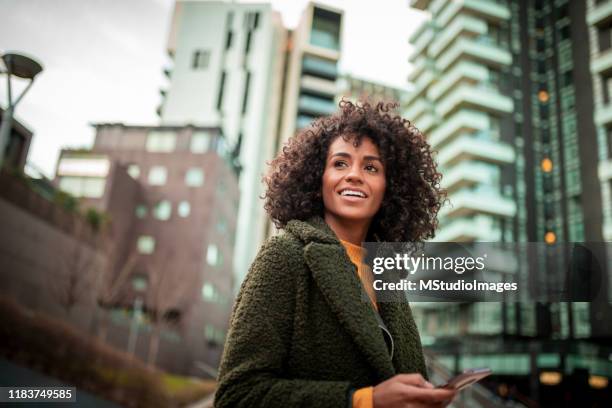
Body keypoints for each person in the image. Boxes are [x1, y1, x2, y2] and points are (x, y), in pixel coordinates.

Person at [214, 101, 455, 407]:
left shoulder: (385, 273)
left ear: (390, 188)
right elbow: (236, 395)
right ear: (317, 179)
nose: (354, 175)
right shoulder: (285, 256)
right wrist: (362, 401)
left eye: (371, 167)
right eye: (340, 163)